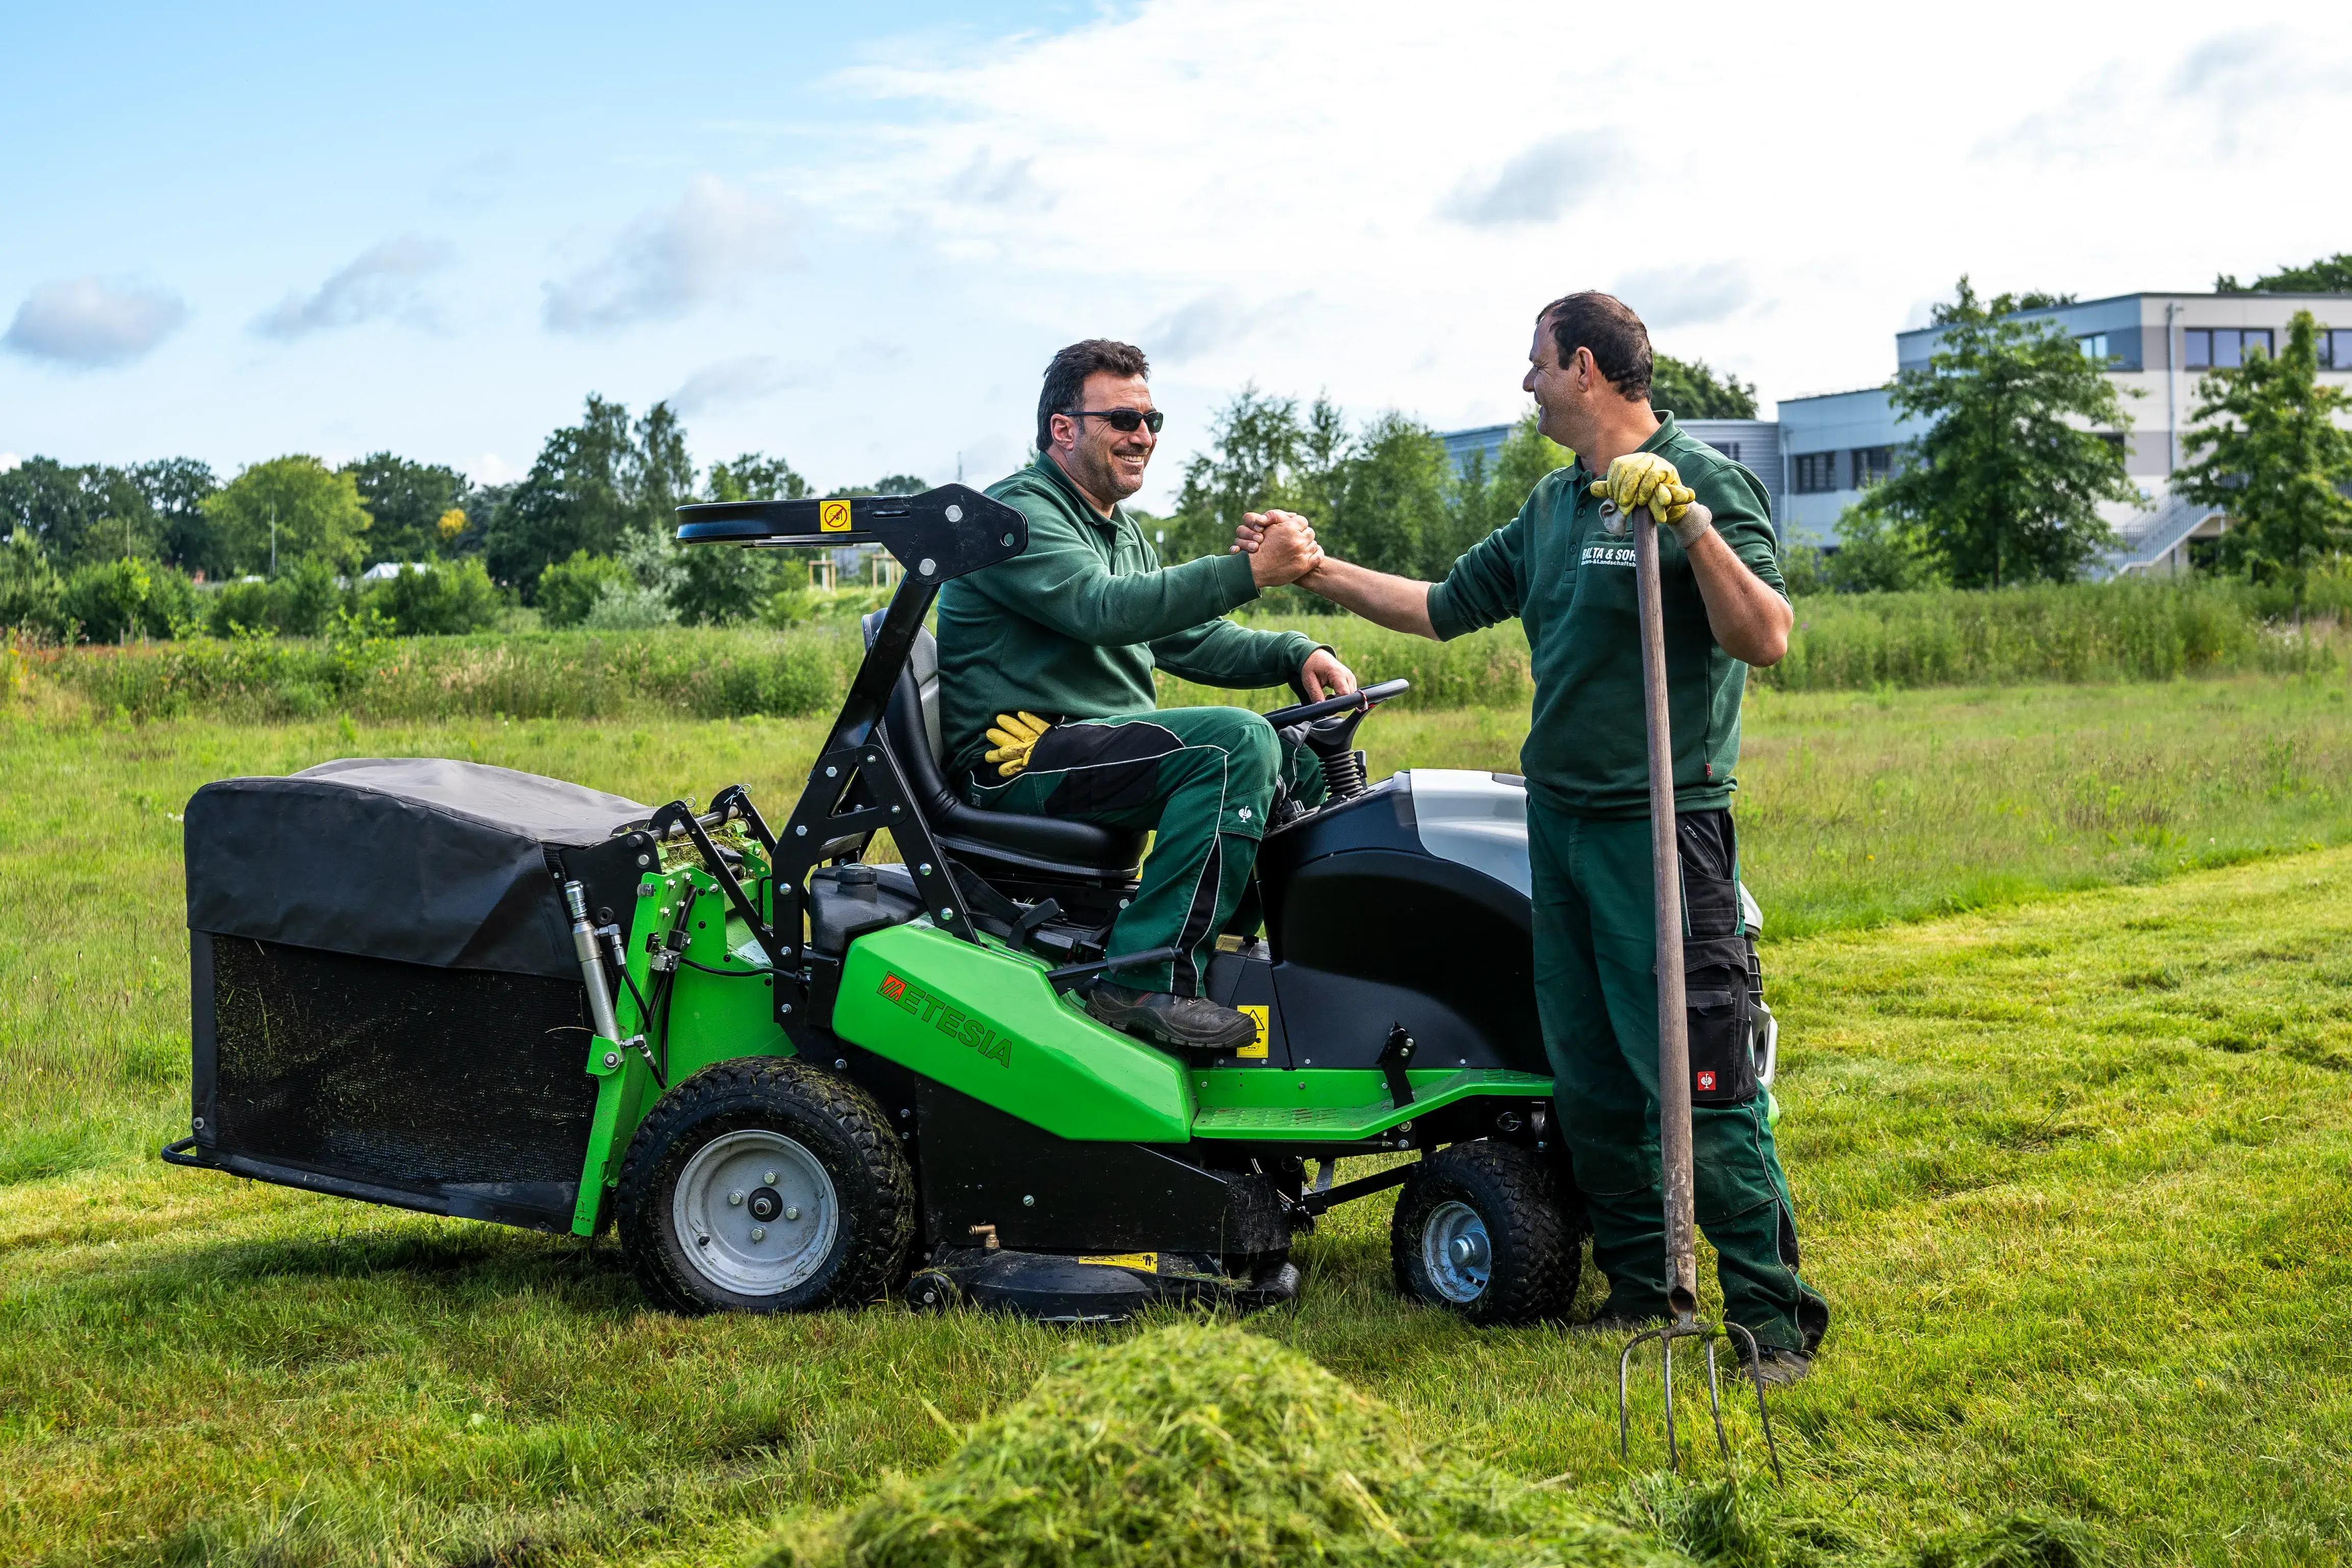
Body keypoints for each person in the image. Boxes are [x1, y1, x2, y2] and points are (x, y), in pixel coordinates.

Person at [1236, 293, 1828, 1382]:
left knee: (1697, 1080)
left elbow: (1767, 637)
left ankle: (1770, 1321)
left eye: (1538, 364)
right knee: (1593, 1079)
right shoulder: (1555, 508)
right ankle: (1646, 1291)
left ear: (1589, 371)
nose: (1527, 384)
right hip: (1561, 825)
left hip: (1663, 825)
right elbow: (1441, 604)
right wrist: (1314, 573)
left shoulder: (1699, 481)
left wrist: (1689, 524)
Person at [935, 338, 1357, 1052]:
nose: (1144, 436)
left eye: (1153, 420)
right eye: (1124, 420)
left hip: (1086, 747)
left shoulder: (1115, 527)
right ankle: (1142, 979)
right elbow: (1104, 609)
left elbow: (1181, 637)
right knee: (1234, 746)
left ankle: (1240, 955)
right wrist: (1252, 571)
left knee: (1299, 756)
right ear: (1063, 429)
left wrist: (1295, 652)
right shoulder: (1018, 516)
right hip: (1023, 761)